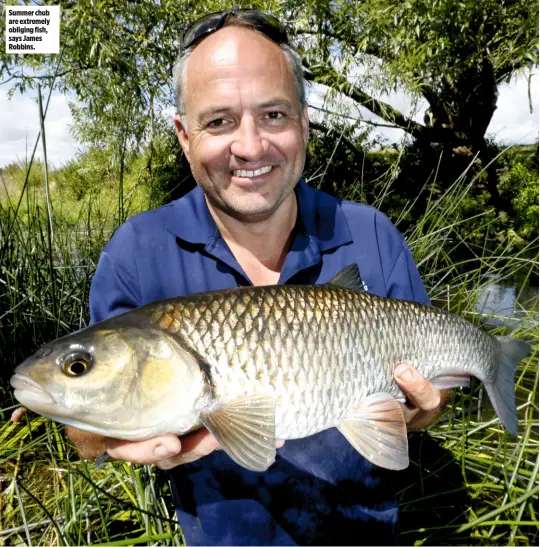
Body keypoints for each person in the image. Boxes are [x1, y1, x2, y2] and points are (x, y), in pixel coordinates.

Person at [66, 9, 450, 545]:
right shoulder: (137, 251)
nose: (250, 146)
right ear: (183, 135)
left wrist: (421, 414)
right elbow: (82, 425)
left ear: (303, 122)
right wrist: (106, 438)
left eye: (273, 115)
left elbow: (432, 399)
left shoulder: (373, 233)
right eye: (219, 121)